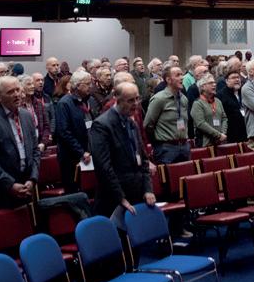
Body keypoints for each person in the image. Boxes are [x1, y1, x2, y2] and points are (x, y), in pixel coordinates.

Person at [90, 82, 154, 219]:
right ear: (117, 99)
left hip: (137, 194)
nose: (136, 104)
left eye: (137, 98)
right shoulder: (102, 125)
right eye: (130, 100)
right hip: (114, 199)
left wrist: (148, 189)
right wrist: (120, 198)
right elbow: (104, 167)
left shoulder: (132, 123)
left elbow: (143, 160)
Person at [0, 76, 40, 210]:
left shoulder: (26, 116)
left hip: (25, 187)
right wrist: (10, 184)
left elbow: (35, 150)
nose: (16, 95)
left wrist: (33, 178)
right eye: (10, 92)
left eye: (18, 90)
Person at [54, 70, 93, 192]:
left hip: (87, 153)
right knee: (74, 191)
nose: (90, 86)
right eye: (87, 84)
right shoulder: (64, 103)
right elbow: (64, 132)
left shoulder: (86, 100)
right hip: (71, 157)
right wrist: (81, 152)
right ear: (78, 85)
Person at [144, 64, 191, 164]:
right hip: (166, 148)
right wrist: (158, 143)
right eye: (178, 75)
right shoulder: (159, 99)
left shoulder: (184, 99)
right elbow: (148, 125)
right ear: (168, 80)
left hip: (184, 146)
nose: (182, 77)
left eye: (182, 74)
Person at [190, 74, 227, 148]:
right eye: (210, 83)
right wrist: (218, 135)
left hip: (220, 142)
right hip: (205, 144)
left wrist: (223, 133)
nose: (214, 85)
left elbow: (224, 118)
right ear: (202, 87)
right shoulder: (197, 103)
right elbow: (200, 123)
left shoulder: (218, 101)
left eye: (214, 82)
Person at [216, 70, 247, 144]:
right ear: (227, 81)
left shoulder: (244, 92)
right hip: (231, 133)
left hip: (246, 130)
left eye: (238, 77)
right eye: (233, 78)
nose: (237, 80)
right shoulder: (220, 95)